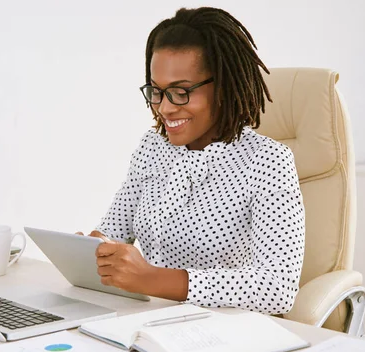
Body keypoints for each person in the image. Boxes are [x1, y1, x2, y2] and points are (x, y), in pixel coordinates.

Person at [85, 7, 305, 314]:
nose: (164, 107)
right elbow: (112, 230)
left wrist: (153, 279)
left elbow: (276, 288)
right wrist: (92, 250)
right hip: (146, 320)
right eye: (157, 91)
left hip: (222, 330)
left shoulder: (268, 162)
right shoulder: (153, 147)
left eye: (180, 92)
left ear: (223, 87)